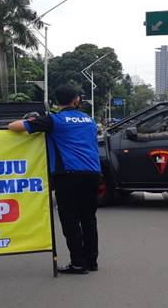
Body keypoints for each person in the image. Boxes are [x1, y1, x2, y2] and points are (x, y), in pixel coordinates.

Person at [8, 84, 101, 275]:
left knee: (70, 220)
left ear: (56, 102)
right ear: (76, 100)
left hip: (68, 175)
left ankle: (78, 263)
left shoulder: (53, 121)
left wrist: (32, 120)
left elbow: (14, 127)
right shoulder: (89, 120)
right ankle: (92, 261)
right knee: (89, 218)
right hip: (92, 173)